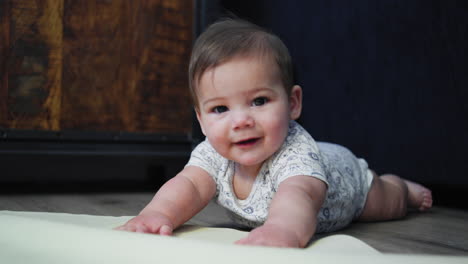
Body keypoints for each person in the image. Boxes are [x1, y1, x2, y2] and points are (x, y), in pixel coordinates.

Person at [116, 18, 432, 248]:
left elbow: (299, 196)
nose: (240, 121)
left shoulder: (296, 155)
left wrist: (283, 230)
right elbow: (188, 186)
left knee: (384, 203)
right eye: (220, 109)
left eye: (259, 101)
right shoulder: (211, 153)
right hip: (320, 159)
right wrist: (157, 214)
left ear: (293, 103)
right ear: (200, 120)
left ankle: (401, 187)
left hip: (347, 179)